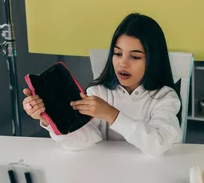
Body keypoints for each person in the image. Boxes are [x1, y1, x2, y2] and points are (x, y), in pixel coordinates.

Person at [21, 13, 182, 157]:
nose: (122, 63)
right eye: (117, 54)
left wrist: (111, 114)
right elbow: (84, 140)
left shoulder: (164, 97)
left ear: (153, 60)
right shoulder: (98, 93)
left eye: (135, 57)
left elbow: (158, 144)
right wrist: (49, 119)